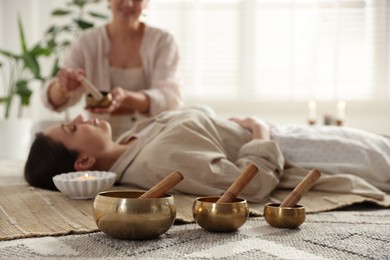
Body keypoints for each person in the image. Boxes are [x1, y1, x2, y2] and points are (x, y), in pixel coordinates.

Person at [24, 109, 390, 203]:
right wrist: (259, 131)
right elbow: (250, 186)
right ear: (84, 162)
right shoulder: (158, 162)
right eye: (72, 129)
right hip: (300, 152)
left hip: (293, 132)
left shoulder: (135, 139)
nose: (78, 117)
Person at [42, 0, 183, 139]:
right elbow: (52, 100)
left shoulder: (163, 42)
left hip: (150, 141)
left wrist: (125, 98)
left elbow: (169, 99)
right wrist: (63, 88)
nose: (128, 3)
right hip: (99, 143)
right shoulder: (86, 43)